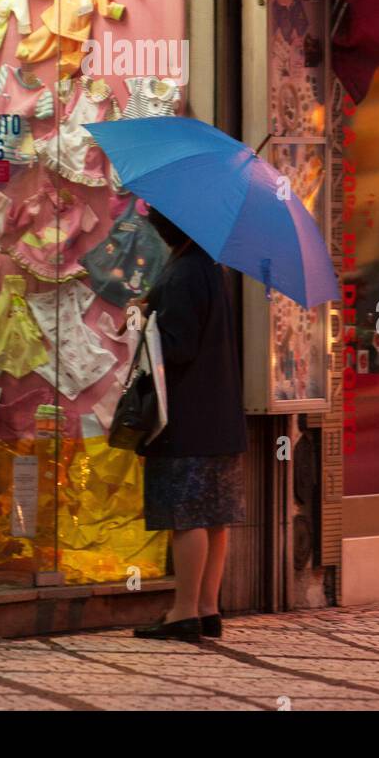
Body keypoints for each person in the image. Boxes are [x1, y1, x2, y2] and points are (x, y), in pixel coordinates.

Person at [131, 206, 247, 642]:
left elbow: (176, 348)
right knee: (214, 518)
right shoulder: (209, 268)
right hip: (219, 415)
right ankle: (207, 608)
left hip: (188, 416)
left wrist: (142, 319)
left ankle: (183, 613)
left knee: (187, 517)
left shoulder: (181, 274)